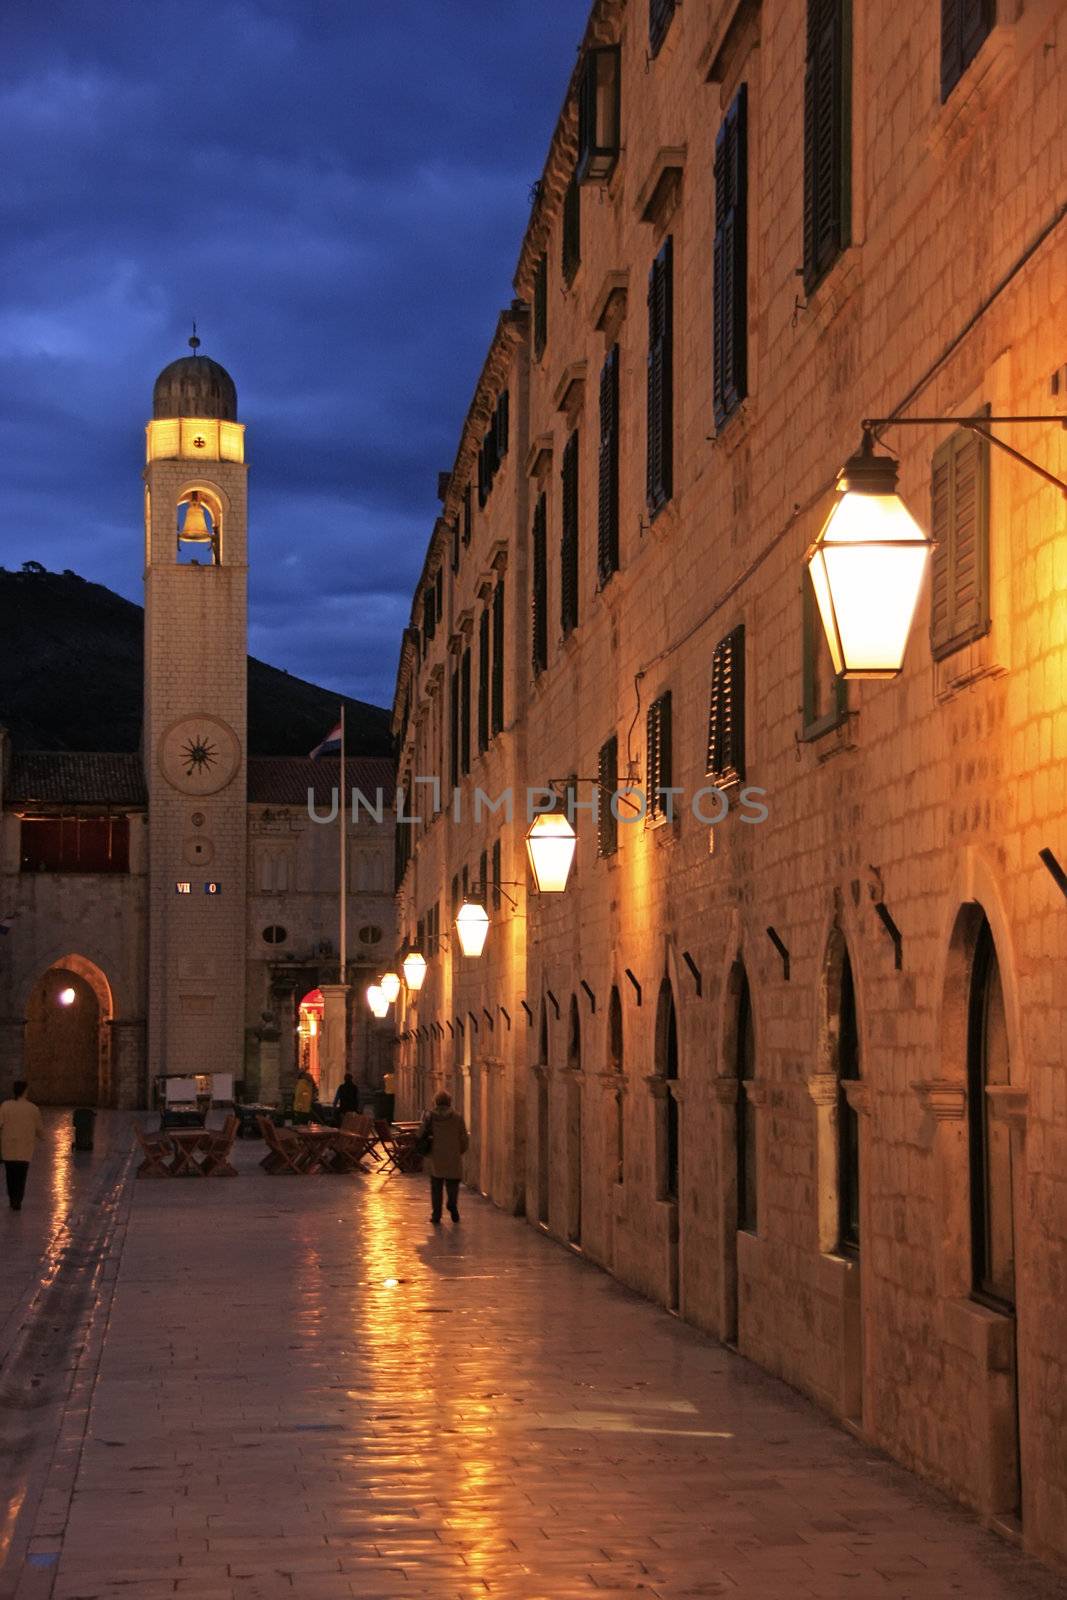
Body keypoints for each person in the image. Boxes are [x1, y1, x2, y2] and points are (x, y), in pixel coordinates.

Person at [422, 1090, 469, 1225]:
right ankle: (452, 1204)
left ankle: (436, 1214)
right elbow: (464, 1138)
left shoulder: (430, 1117)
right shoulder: (457, 1117)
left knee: (436, 1186)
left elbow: (421, 1133)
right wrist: (459, 1151)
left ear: (436, 1102)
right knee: (453, 1184)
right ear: (449, 1102)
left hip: (436, 1156)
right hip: (453, 1155)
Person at [0, 1081, 45, 1212]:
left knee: (10, 1175)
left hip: (8, 1148)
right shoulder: (32, 1108)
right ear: (25, 1091)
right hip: (25, 1149)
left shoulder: (5, 1106)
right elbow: (39, 1130)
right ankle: (18, 1200)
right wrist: (43, 1136)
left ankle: (12, 1198)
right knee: (21, 1176)